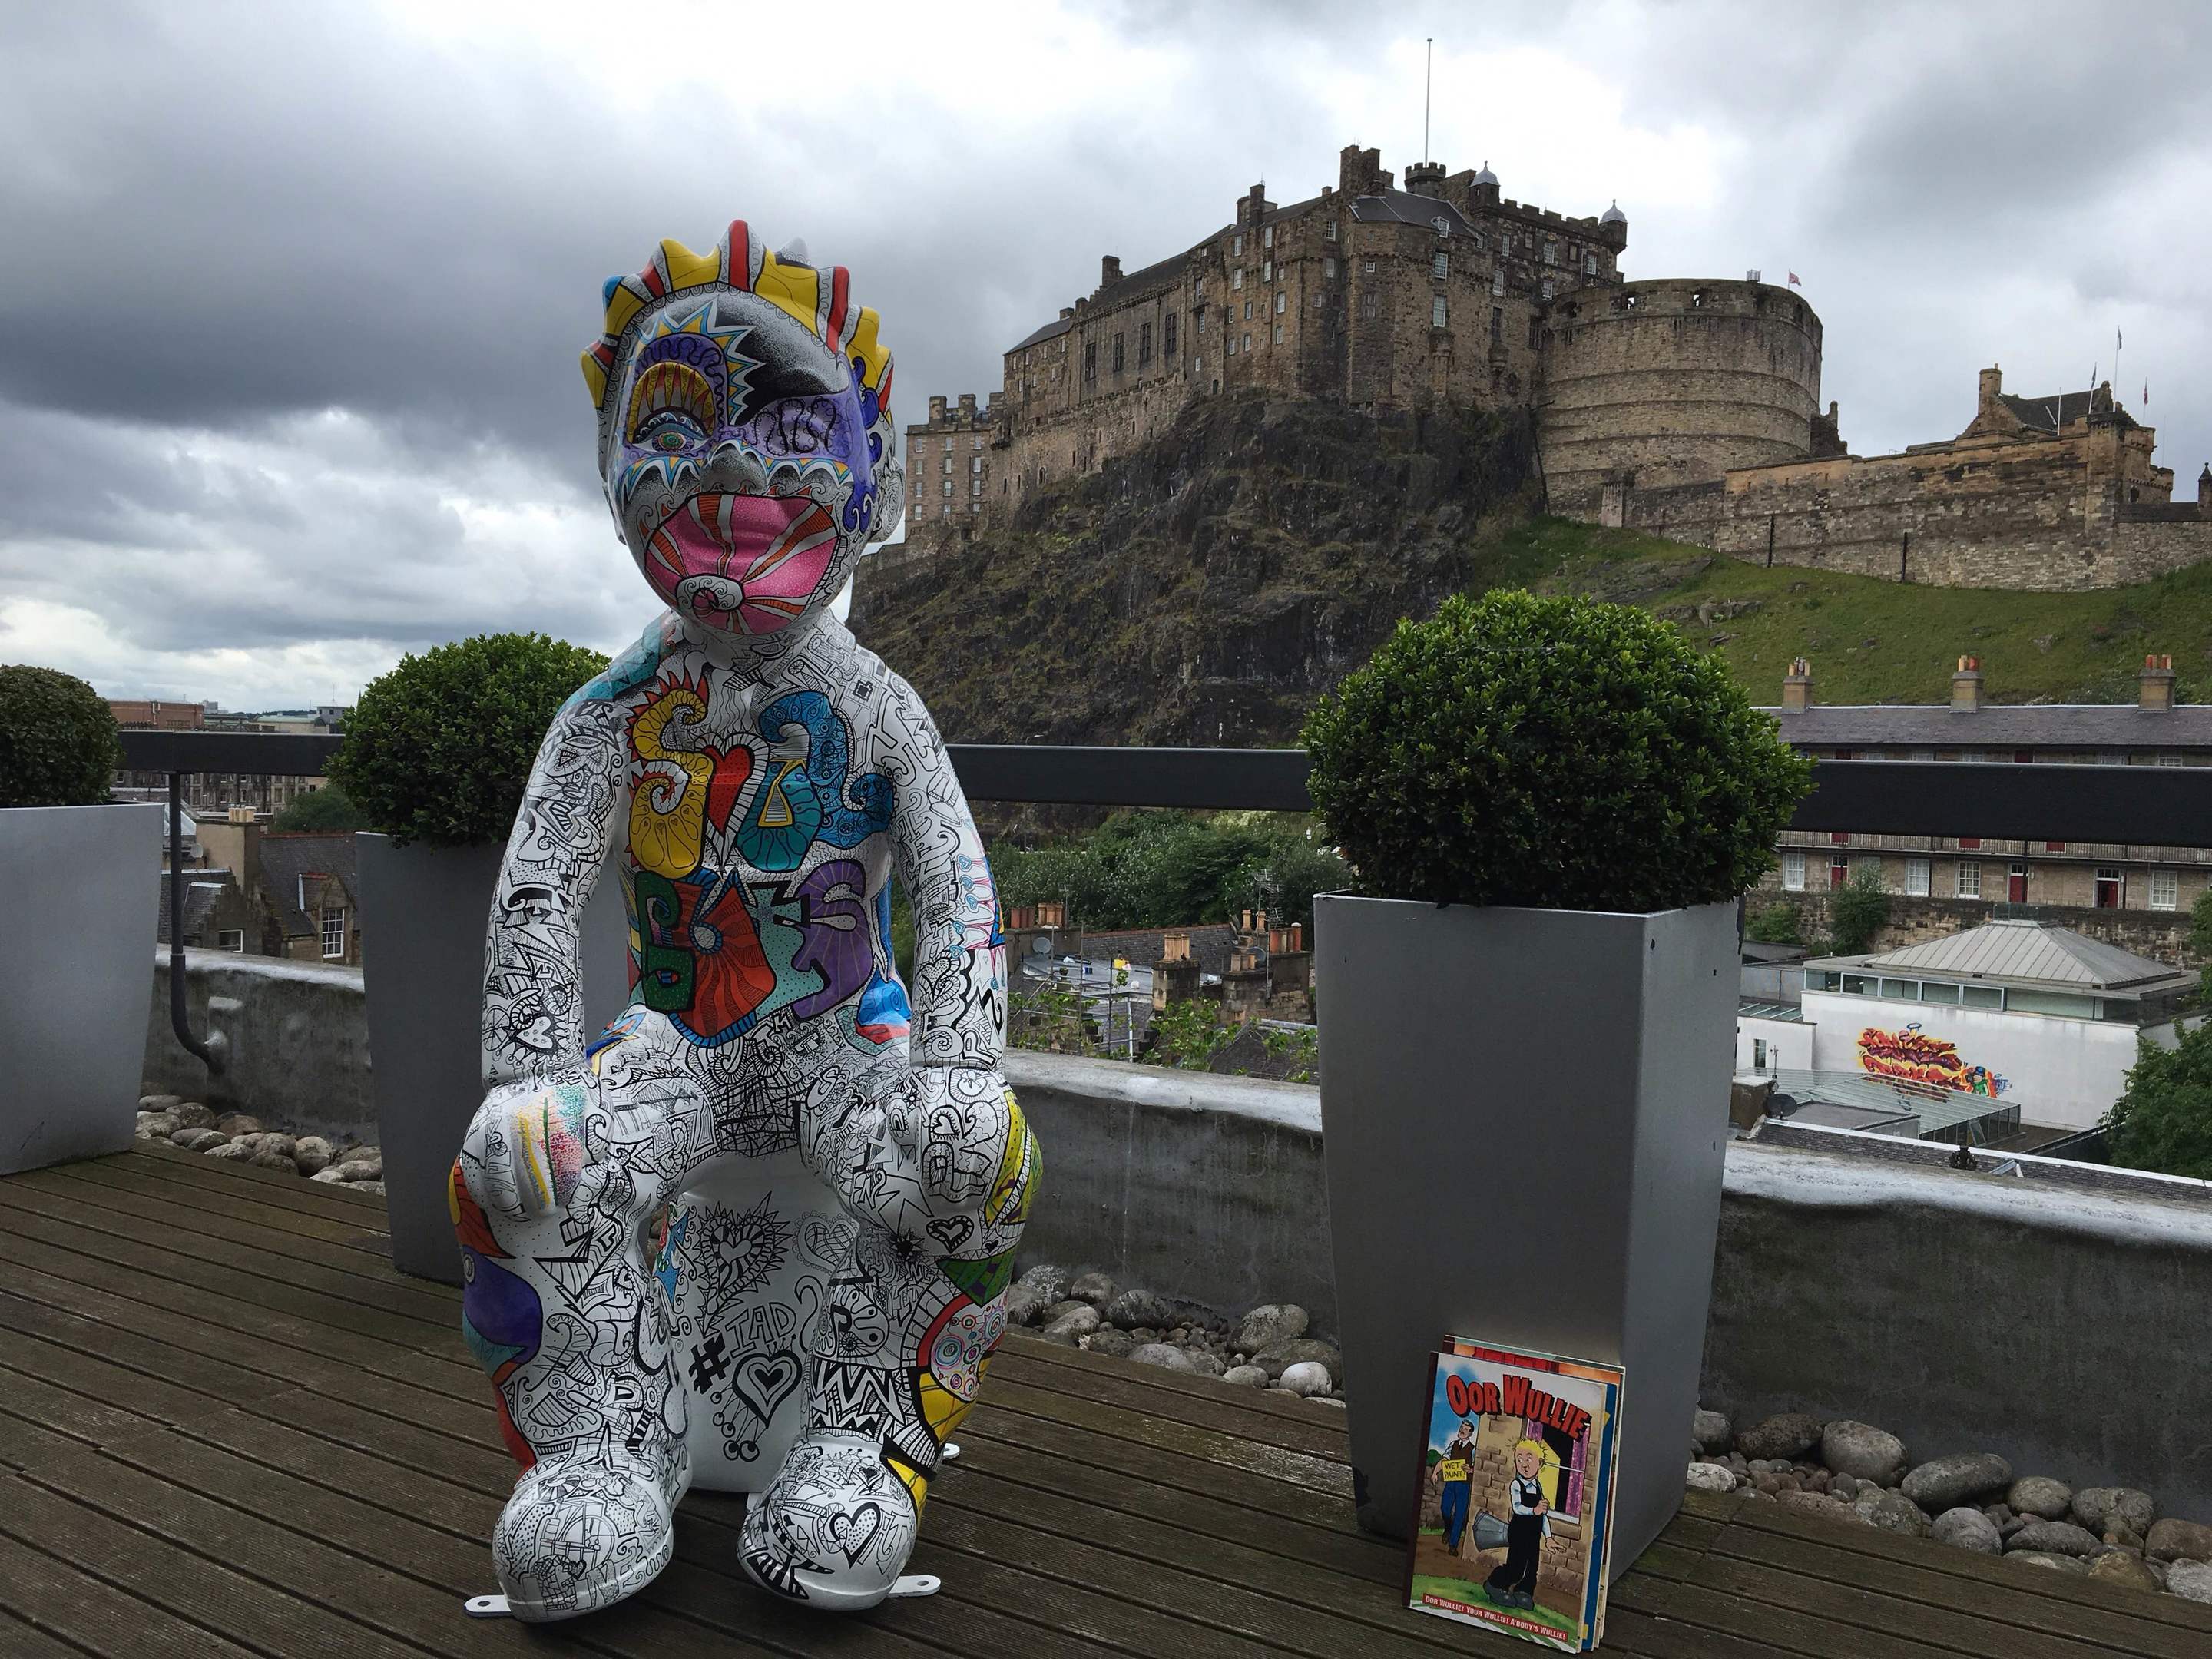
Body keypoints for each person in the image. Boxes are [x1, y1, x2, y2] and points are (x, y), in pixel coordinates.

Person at [1485, 1439, 1551, 1610]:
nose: (1524, 1463)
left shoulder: (1538, 1485)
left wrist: (1549, 1537)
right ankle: (1495, 1585)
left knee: (1532, 1566)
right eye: (1519, 1458)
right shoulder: (1517, 1484)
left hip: (1534, 1535)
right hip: (1520, 1531)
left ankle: (1524, 1592)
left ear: (1540, 1463)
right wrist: (1534, 1510)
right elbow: (1517, 1507)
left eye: (1529, 1458)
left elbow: (1543, 1516)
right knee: (1516, 1566)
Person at [1435, 1420, 1477, 1552]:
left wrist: (1470, 1469)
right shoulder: (1453, 1445)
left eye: (1466, 1429)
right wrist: (1435, 1472)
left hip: (1463, 1486)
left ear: (1470, 1433)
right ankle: (1448, 1528)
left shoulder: (1473, 1449)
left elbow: (1477, 1467)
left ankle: (1453, 1545)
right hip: (1451, 1483)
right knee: (1445, 1509)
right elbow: (1445, 1460)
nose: (1462, 1430)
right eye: (1461, 1427)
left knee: (1460, 1514)